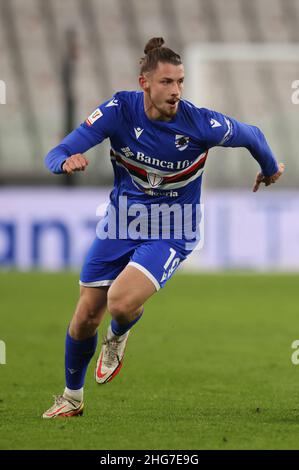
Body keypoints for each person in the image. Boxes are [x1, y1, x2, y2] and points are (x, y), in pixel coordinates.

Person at [42, 37, 284, 418]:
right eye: (167, 83)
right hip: (121, 222)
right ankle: (72, 398)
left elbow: (252, 135)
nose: (176, 91)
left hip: (174, 227)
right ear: (145, 83)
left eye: (180, 82)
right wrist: (64, 163)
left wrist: (269, 169)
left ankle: (118, 335)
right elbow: (58, 151)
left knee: (120, 302)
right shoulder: (119, 111)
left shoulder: (200, 123)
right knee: (85, 316)